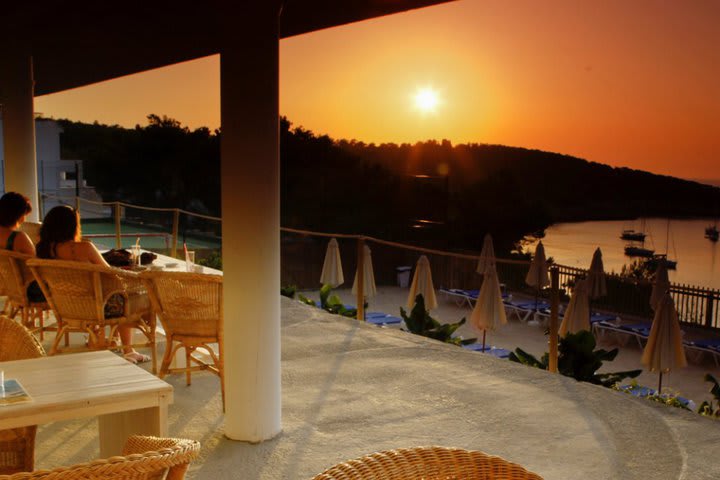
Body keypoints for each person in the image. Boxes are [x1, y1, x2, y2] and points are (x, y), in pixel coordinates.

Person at [36, 205, 150, 364]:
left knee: (106, 295)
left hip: (66, 306)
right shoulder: (84, 248)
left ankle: (99, 338)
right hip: (94, 308)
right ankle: (129, 350)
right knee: (127, 298)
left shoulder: (43, 251)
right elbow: (112, 275)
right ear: (72, 226)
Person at [0, 192, 45, 302]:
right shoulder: (18, 237)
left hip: (8, 285)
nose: (24, 218)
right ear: (18, 214)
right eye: (24, 214)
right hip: (28, 290)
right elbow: (38, 265)